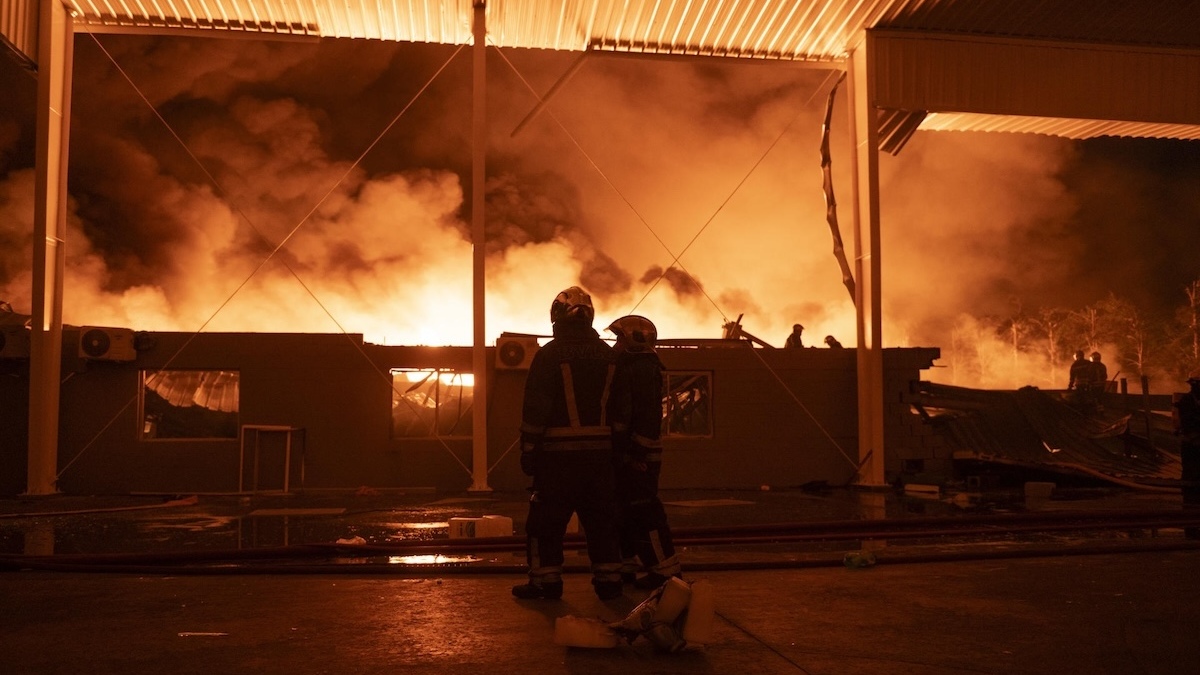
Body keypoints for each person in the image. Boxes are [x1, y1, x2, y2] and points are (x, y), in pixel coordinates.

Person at [512, 286, 624, 601]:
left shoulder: (549, 355)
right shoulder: (610, 356)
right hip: (601, 460)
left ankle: (545, 582)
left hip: (557, 460)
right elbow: (621, 410)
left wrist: (529, 449)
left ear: (558, 316)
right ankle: (609, 582)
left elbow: (536, 408)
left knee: (545, 523)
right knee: (602, 522)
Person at [606, 314, 681, 590]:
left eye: (619, 339)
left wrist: (637, 453)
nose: (615, 345)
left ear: (635, 340)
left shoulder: (642, 368)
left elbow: (647, 415)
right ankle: (628, 566)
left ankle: (665, 571)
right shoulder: (631, 366)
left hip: (640, 456)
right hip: (628, 452)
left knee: (644, 510)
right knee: (624, 509)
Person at [1174, 369, 1200, 538]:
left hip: (1192, 446)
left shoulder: (1186, 401)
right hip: (1191, 448)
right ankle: (1191, 528)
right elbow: (1183, 426)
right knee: (1191, 487)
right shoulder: (1185, 402)